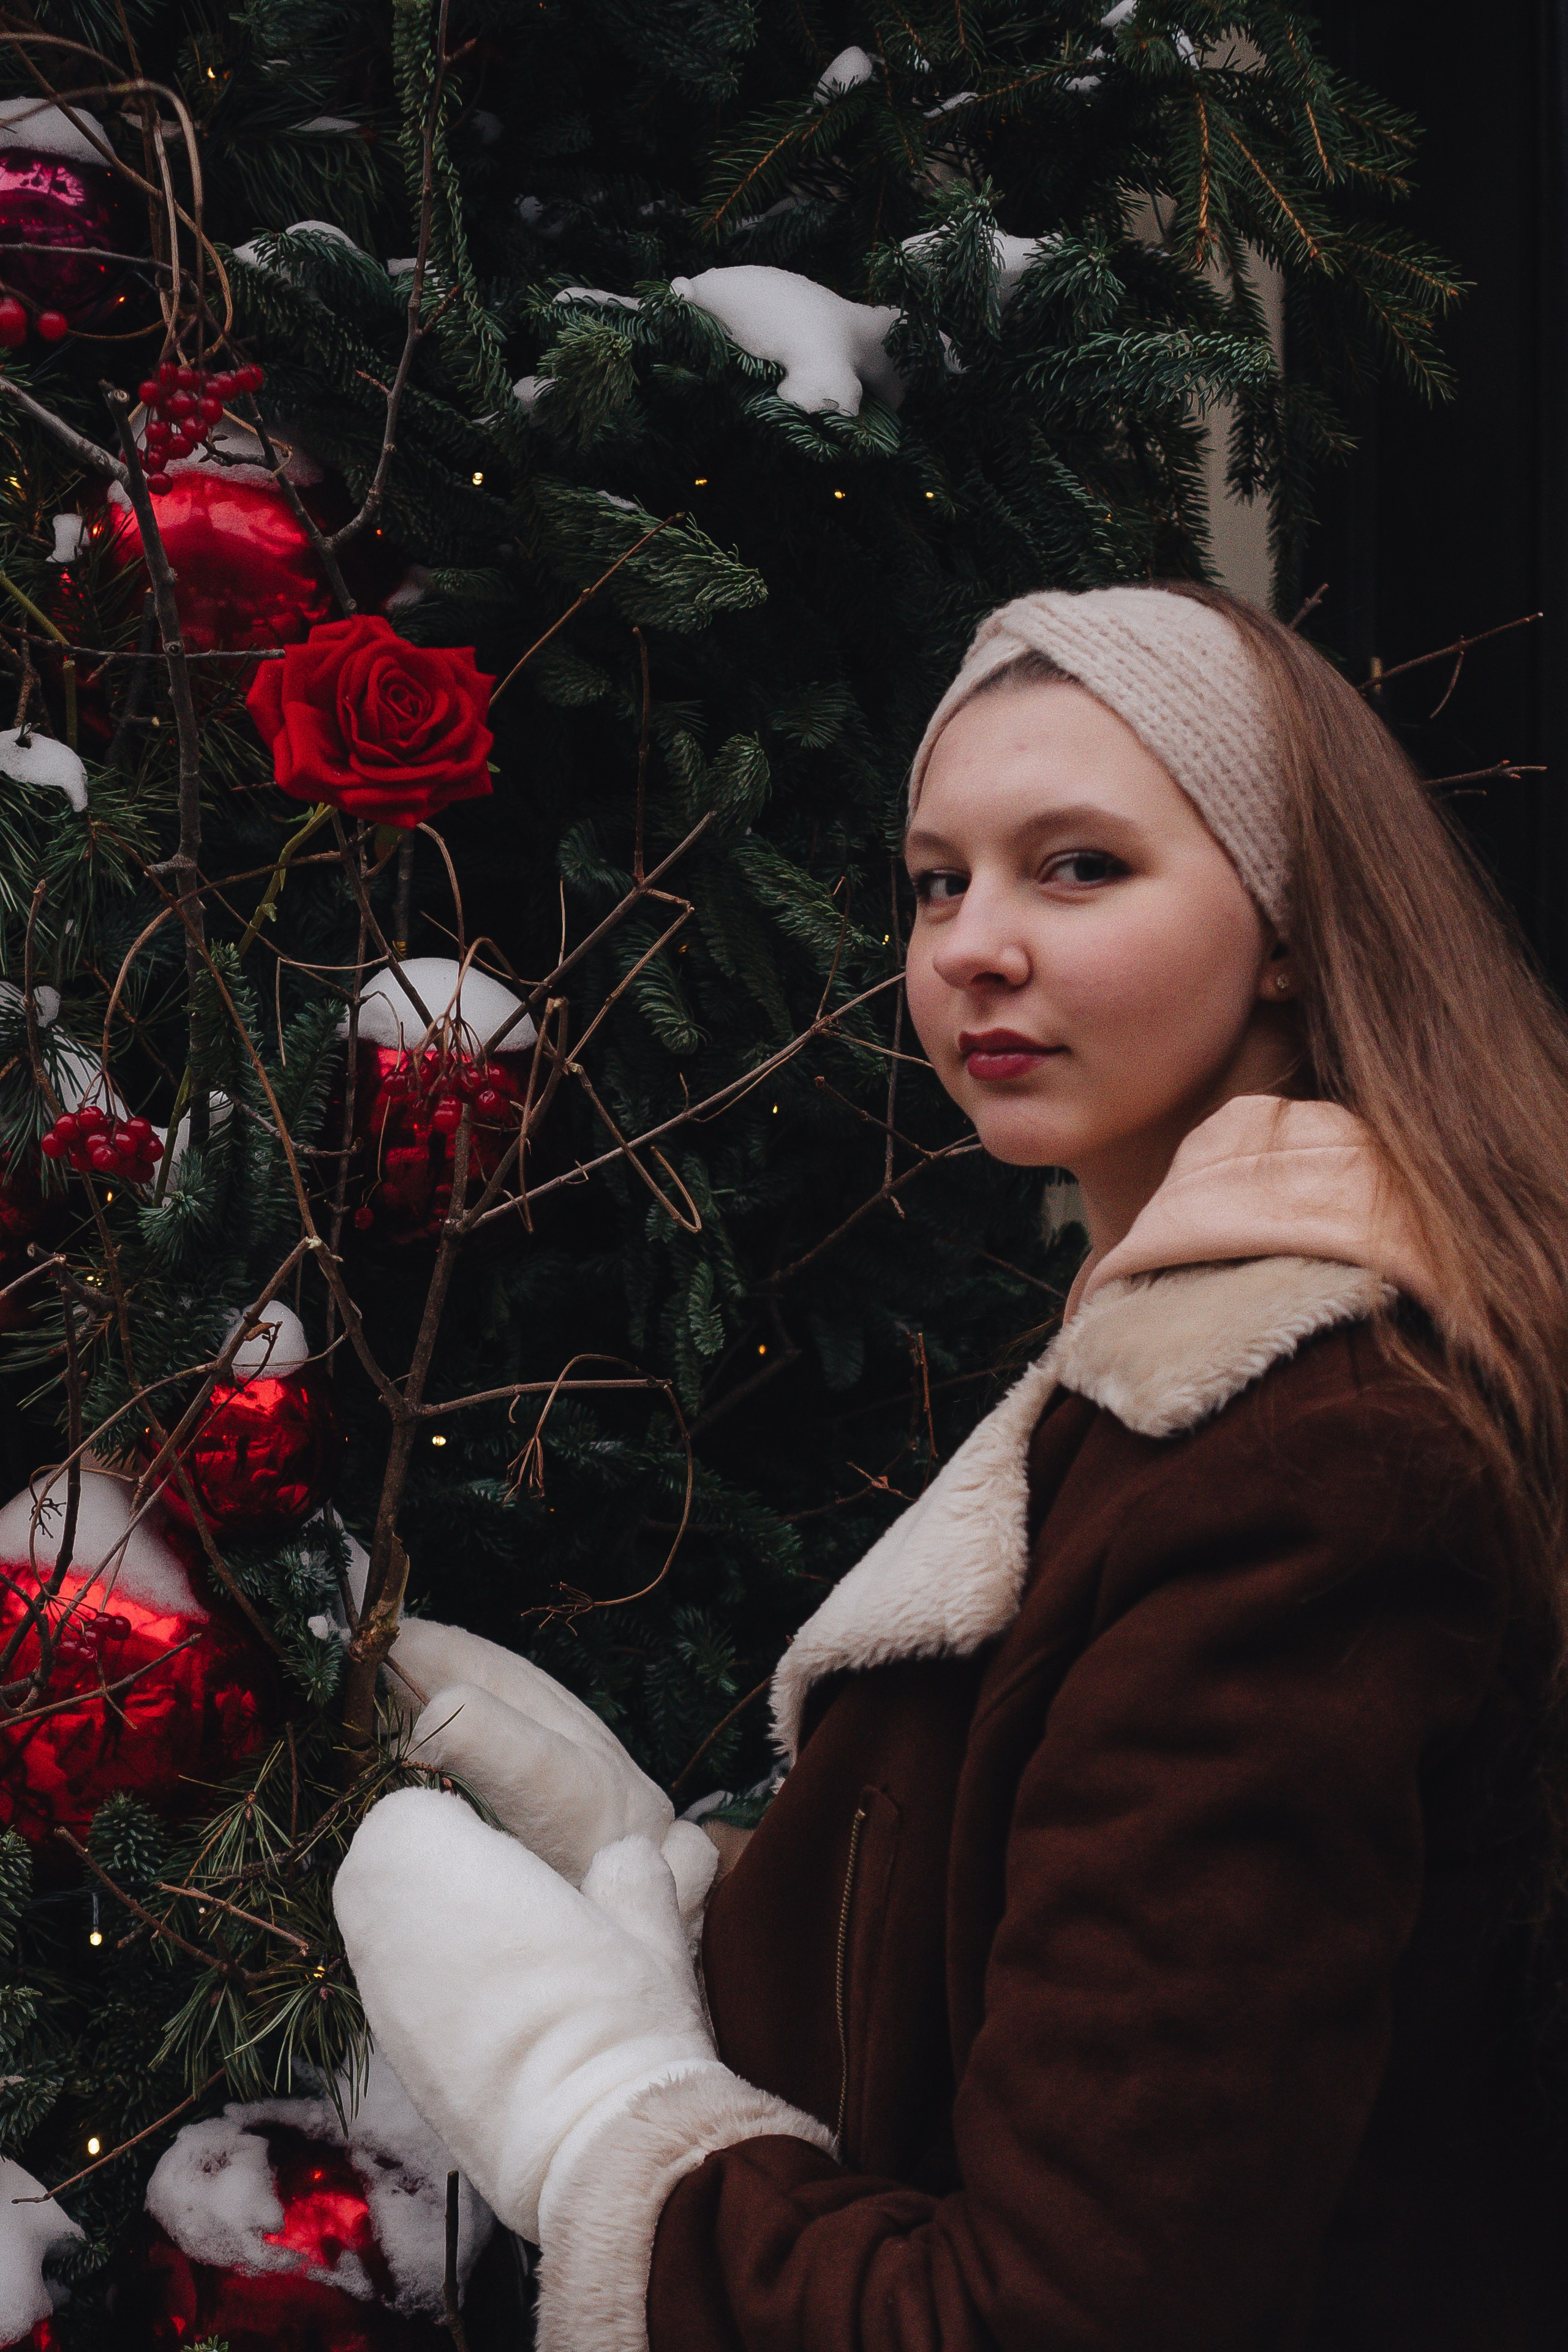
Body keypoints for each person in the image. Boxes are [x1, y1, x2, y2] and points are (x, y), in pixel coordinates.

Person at [334, 584, 1568, 2351]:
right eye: (937, 880)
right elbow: (1031, 1967)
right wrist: (676, 1890)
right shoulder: (1181, 1366)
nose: (973, 945)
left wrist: (595, 2117)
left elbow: (1065, 2311)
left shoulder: (1307, 1456)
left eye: (1079, 868)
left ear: (1292, 927)